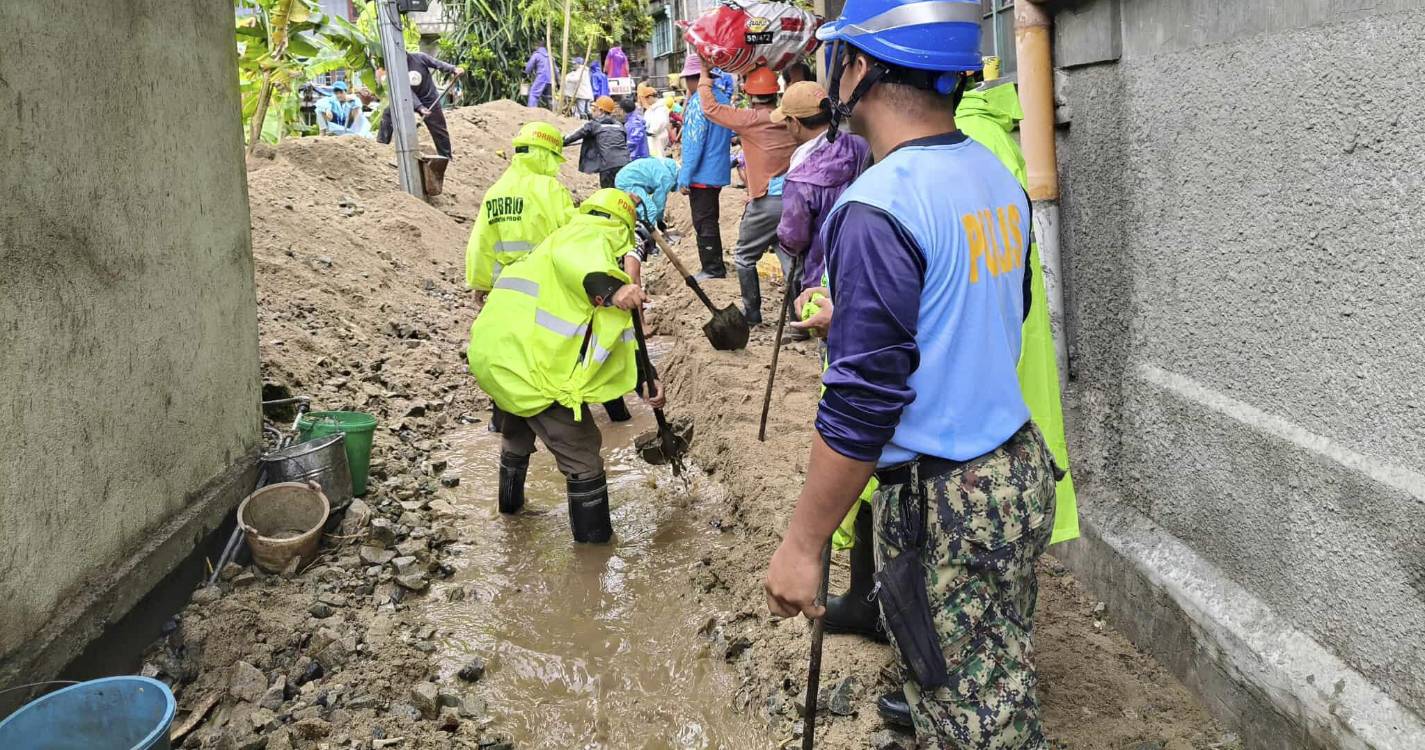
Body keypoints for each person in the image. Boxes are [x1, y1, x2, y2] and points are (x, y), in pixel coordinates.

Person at [763, 1, 1059, 747]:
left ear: (857, 68)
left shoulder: (877, 208)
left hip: (943, 504)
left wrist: (803, 544)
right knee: (994, 674)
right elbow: (999, 308)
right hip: (1015, 471)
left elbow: (861, 406)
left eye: (836, 59)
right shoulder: (993, 177)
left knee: (971, 723)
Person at [467, 188, 664, 543]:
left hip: (493, 355)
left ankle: (511, 517)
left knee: (516, 432)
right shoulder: (591, 237)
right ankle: (594, 553)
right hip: (530, 366)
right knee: (584, 451)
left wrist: (646, 377)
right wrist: (614, 289)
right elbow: (585, 269)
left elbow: (615, 336)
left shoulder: (556, 238)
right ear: (622, 228)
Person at [695, 61, 796, 324]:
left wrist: (705, 78)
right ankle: (798, 320)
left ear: (750, 96)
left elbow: (711, 108)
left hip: (766, 201)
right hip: (794, 199)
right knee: (788, 257)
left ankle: (752, 315)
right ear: (776, 94)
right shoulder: (790, 117)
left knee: (744, 256)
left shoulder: (751, 119)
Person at [774, 81, 868, 296]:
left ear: (795, 123)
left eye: (786, 121)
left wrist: (785, 241)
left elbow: (793, 239)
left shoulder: (801, 179)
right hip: (864, 264)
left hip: (823, 273)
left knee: (822, 323)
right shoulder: (861, 145)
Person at [465, 122, 575, 303]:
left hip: (504, 291)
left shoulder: (496, 190)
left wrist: (481, 283)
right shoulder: (550, 188)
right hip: (544, 286)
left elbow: (481, 243)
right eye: (555, 157)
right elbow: (571, 237)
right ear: (543, 155)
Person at [675, 55, 735, 280]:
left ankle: (712, 268)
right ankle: (714, 264)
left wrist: (684, 176)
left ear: (692, 79)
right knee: (711, 217)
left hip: (701, 173)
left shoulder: (699, 101)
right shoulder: (721, 98)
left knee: (703, 221)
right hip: (717, 171)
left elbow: (693, 142)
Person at [377, 51, 464, 159]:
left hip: (429, 99)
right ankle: (381, 146)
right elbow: (405, 90)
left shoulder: (420, 57)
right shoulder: (395, 69)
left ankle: (446, 157)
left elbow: (437, 63)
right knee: (388, 113)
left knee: (439, 129)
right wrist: (420, 107)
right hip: (407, 99)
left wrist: (453, 69)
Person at [563, 96, 630, 188]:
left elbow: (573, 136)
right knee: (624, 192)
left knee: (609, 194)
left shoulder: (593, 125)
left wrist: (559, 142)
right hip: (626, 163)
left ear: (601, 111)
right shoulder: (620, 125)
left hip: (608, 165)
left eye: (594, 110)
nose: (592, 112)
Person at [640, 84, 670, 158]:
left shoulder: (661, 108)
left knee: (659, 157)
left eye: (646, 98)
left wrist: (651, 131)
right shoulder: (651, 109)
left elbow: (661, 122)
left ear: (650, 97)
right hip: (651, 138)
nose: (646, 101)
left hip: (658, 137)